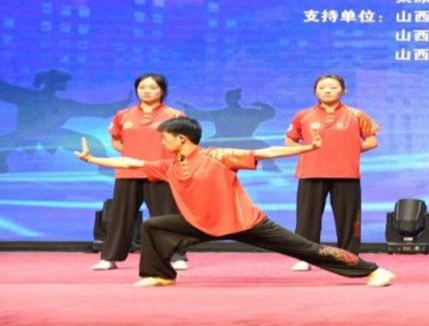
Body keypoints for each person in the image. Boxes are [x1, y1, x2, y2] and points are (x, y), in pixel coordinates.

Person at [74, 116, 394, 287]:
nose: (162, 141)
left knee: (307, 249)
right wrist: (93, 160)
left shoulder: (218, 156)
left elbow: (265, 152)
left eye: (165, 137)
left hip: (244, 222)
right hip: (201, 223)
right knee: (155, 226)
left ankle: (373, 270)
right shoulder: (170, 166)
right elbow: (131, 163)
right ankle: (160, 274)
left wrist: (306, 149)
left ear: (181, 138)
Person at [93, 73, 189, 271]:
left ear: (162, 90)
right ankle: (109, 258)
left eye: (152, 87)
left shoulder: (174, 115)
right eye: (142, 87)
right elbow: (116, 140)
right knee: (121, 217)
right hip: (128, 173)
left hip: (161, 172)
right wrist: (132, 156)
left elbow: (184, 143)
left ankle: (176, 256)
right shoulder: (123, 115)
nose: (147, 91)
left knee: (167, 216)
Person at [285, 74, 379, 271]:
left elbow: (372, 140)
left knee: (348, 219)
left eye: (333, 87)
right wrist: (305, 149)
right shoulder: (303, 115)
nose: (327, 91)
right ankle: (305, 257)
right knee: (307, 219)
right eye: (322, 87)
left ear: (344, 90)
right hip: (311, 172)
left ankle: (350, 257)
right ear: (315, 91)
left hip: (346, 174)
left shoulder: (356, 114)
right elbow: (290, 140)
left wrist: (352, 149)